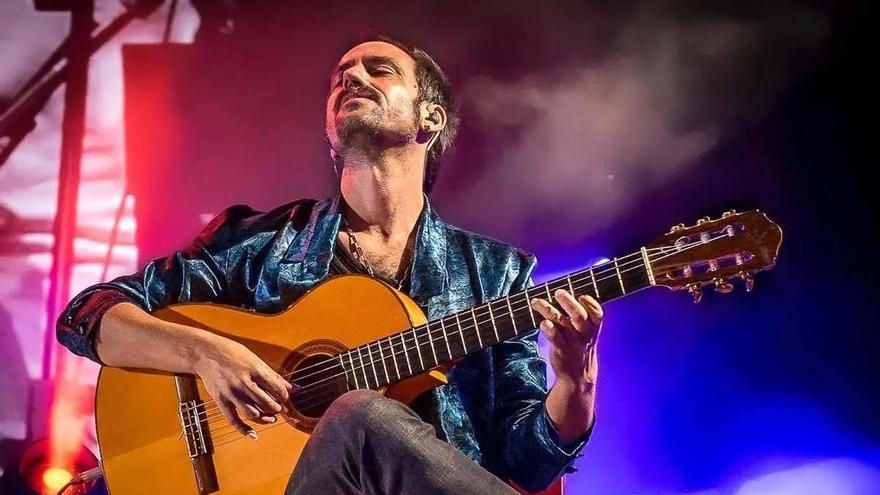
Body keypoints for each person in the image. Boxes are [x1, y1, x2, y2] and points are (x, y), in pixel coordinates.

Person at [57, 36, 603, 495]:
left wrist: (575, 378)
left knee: (360, 416)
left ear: (430, 119)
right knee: (360, 414)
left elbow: (525, 463)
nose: (352, 77)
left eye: (378, 69)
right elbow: (87, 314)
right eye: (341, 75)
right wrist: (207, 353)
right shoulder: (259, 244)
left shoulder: (493, 273)